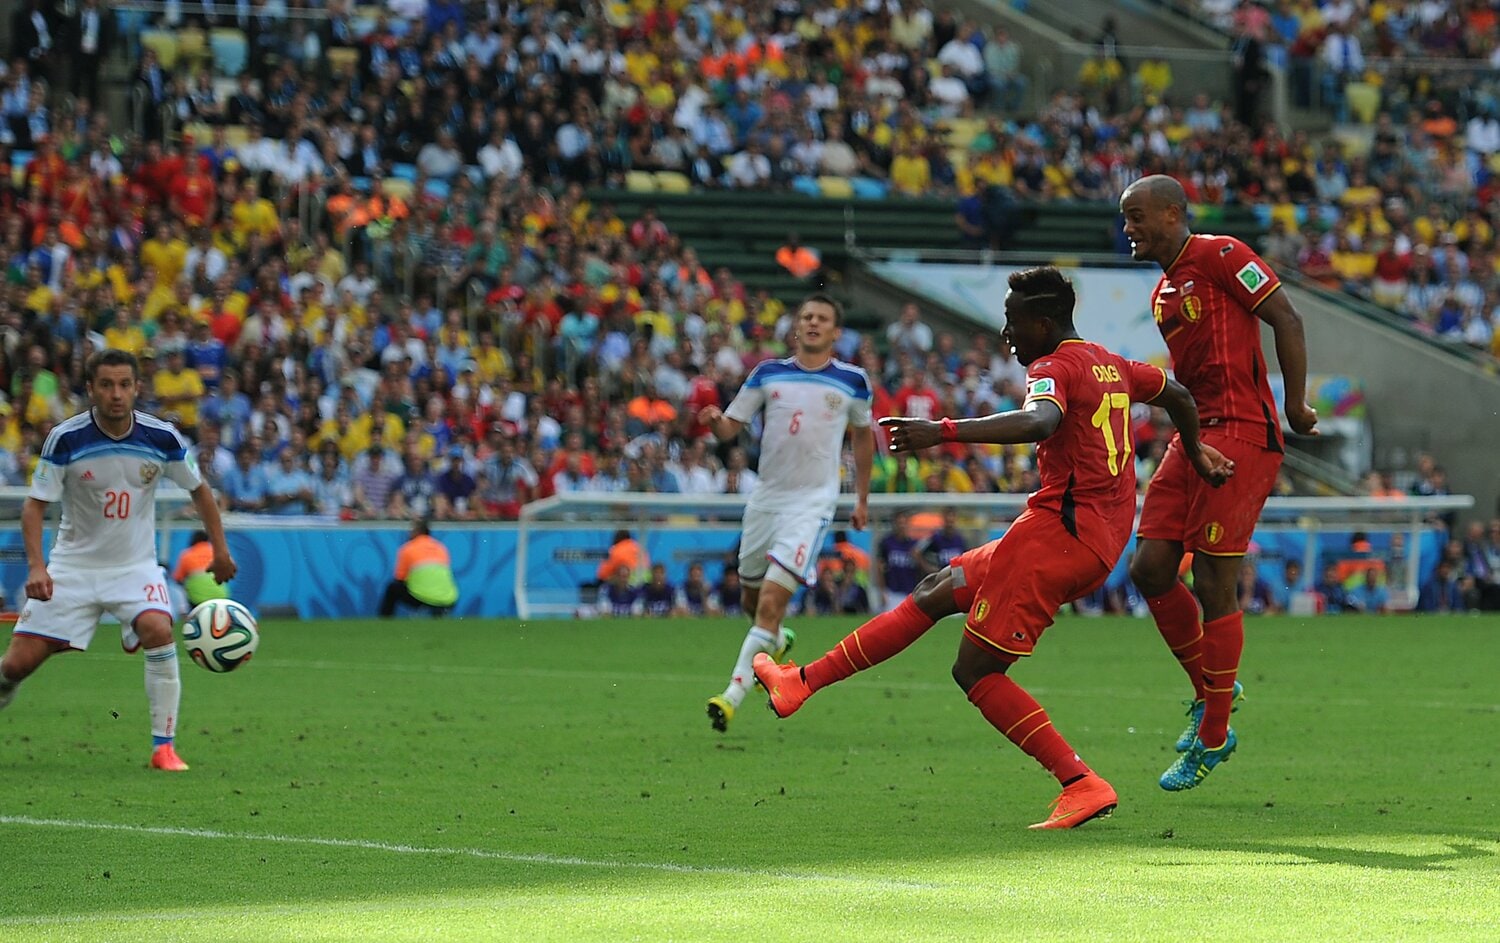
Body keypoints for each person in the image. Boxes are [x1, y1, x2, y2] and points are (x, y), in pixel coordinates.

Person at [755, 266, 1231, 829]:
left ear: (1045, 322)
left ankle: (1081, 782)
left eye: (1013, 323)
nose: (1006, 335)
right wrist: (1197, 451)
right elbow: (1174, 391)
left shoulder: (1053, 367)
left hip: (1059, 537)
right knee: (938, 589)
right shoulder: (1114, 363)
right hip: (1086, 537)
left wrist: (944, 431)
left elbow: (1040, 420)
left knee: (976, 670)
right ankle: (801, 683)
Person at [1119, 174, 1317, 791]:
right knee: (1149, 569)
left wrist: (1296, 404)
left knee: (1212, 578)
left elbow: (1286, 317)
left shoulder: (1221, 253)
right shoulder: (1163, 290)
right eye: (1125, 218)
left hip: (1243, 431)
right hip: (1195, 433)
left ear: (1173, 213)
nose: (1128, 228)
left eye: (1137, 216)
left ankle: (1212, 736)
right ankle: (1211, 695)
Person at [0, 349, 237, 771]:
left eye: (124, 385)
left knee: (158, 628)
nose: (116, 394)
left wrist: (220, 550)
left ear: (137, 388)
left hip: (135, 567)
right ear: (90, 389)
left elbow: (199, 490)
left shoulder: (161, 437)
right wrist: (37, 567)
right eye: (106, 385)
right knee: (17, 665)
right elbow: (34, 507)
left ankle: (164, 748)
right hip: (73, 568)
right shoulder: (66, 438)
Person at [699, 294, 874, 733]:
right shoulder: (767, 374)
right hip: (765, 501)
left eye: (823, 319)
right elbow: (730, 427)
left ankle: (733, 693)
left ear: (836, 331)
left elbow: (863, 437)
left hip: (811, 505)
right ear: (796, 328)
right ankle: (775, 643)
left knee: (773, 603)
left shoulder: (852, 381)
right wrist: (714, 421)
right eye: (807, 317)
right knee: (752, 601)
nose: (814, 323)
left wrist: (862, 499)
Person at [379, 519, 459, 617]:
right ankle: (439, 613)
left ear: (417, 532)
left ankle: (385, 621)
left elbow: (400, 578)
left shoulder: (408, 548)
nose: (409, 532)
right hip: (448, 598)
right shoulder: (440, 547)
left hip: (422, 597)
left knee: (392, 588)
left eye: (411, 530)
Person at [874, 511, 921, 611]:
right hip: (892, 592)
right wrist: (882, 592)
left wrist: (919, 558)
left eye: (904, 523)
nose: (902, 526)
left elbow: (922, 569)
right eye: (899, 523)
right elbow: (879, 568)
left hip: (910, 593)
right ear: (894, 524)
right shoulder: (887, 543)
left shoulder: (914, 545)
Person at [173, 530, 231, 608]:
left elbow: (178, 578)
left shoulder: (187, 555)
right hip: (220, 594)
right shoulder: (216, 553)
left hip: (197, 598)